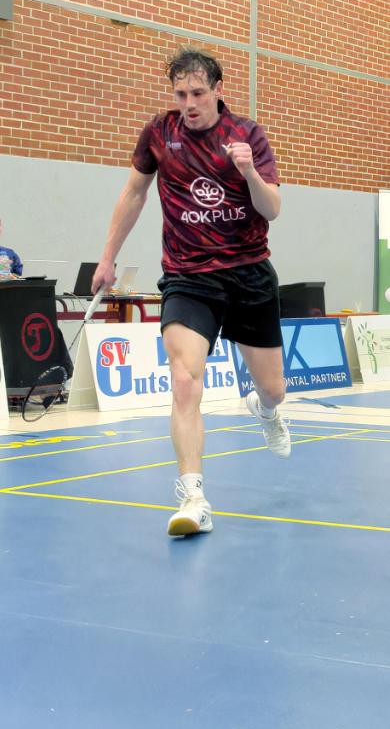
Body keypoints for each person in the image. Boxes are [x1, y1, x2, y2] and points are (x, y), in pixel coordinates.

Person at [91, 46, 290, 537]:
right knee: (184, 380)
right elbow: (134, 192)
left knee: (274, 388)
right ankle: (193, 498)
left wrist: (248, 171)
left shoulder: (247, 135)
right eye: (180, 94)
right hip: (188, 275)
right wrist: (108, 256)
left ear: (219, 90)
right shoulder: (160, 133)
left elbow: (272, 209)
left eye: (198, 93)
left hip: (248, 272)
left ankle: (266, 410)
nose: (189, 103)